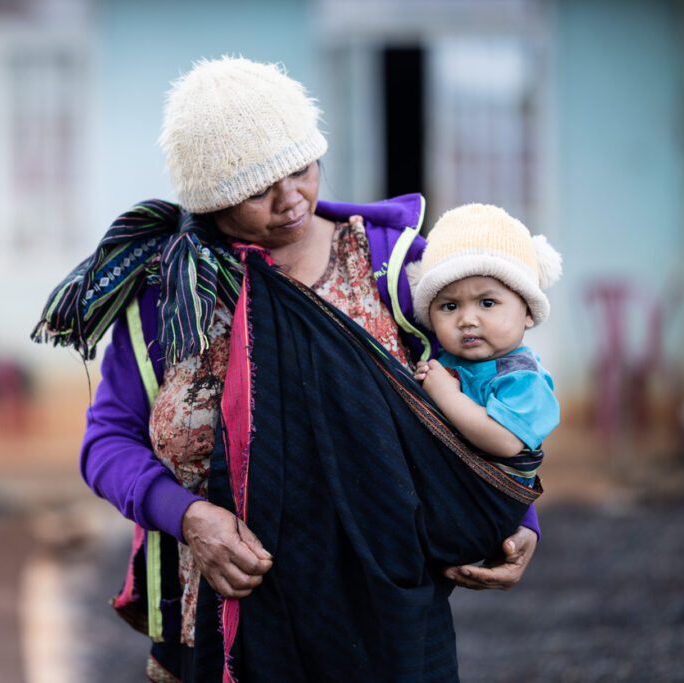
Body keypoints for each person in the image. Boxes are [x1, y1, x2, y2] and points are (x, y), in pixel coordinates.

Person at [33, 56, 542, 682]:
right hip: (220, 619)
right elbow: (106, 441)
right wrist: (188, 517)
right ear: (210, 199)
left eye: (301, 169)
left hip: (384, 618)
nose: (291, 199)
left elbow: (496, 388)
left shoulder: (396, 267)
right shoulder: (170, 297)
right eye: (256, 189)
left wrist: (518, 515)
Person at [411, 203, 563, 487]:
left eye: (487, 302)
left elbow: (505, 441)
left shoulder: (523, 378)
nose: (467, 319)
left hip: (486, 505)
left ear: (528, 312)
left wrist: (446, 395)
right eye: (450, 306)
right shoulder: (442, 362)